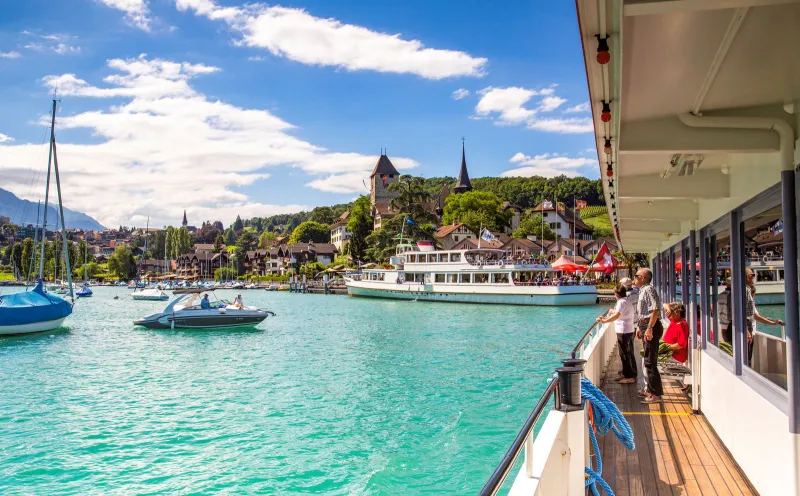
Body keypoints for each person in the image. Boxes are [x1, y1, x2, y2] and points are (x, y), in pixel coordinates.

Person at [597, 283, 637, 383]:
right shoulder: (626, 300)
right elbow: (617, 313)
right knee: (628, 352)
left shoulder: (621, 302)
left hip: (623, 331)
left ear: (616, 294)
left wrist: (604, 320)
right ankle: (629, 373)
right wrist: (608, 317)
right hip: (629, 329)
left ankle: (629, 377)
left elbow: (616, 315)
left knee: (624, 354)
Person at [635, 268, 663, 404]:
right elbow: (644, 312)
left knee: (650, 361)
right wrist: (640, 327)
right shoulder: (642, 290)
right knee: (648, 359)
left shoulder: (648, 289)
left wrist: (650, 328)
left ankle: (655, 394)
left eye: (636, 276)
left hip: (650, 326)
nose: (634, 278)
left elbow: (655, 309)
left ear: (644, 278)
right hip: (645, 325)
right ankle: (651, 390)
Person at [745, 268, 784, 365]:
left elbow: (754, 315)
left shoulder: (745, 291)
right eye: (752, 275)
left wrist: (770, 322)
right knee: (747, 357)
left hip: (748, 329)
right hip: (747, 330)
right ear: (747, 277)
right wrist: (746, 330)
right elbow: (744, 314)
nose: (754, 277)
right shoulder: (746, 291)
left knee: (747, 356)